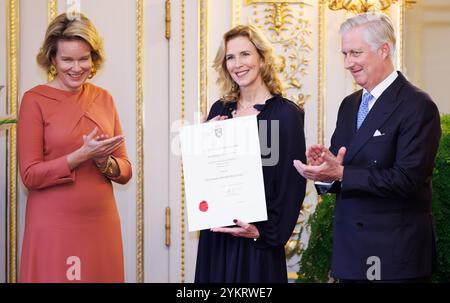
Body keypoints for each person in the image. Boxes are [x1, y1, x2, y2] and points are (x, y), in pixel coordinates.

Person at [293, 13, 441, 282]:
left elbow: (407, 180)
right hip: (352, 255)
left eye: (355, 53)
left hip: (395, 258)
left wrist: (341, 174)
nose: (348, 63)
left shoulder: (418, 106)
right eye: (345, 54)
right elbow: (340, 168)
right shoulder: (350, 105)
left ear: (384, 49)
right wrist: (324, 171)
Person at [17, 13, 132, 282]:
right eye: (67, 59)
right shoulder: (34, 100)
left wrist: (106, 163)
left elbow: (125, 170)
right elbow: (30, 175)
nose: (76, 67)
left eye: (84, 58)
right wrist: (79, 157)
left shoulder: (104, 99)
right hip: (52, 226)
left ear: (94, 59)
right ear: (52, 59)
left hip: (100, 223)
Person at [195, 24, 306, 283]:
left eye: (245, 54)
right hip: (217, 238)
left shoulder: (286, 115)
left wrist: (262, 233)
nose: (237, 64)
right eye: (230, 57)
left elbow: (292, 186)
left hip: (257, 244)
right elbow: (204, 180)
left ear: (261, 57)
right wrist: (200, 144)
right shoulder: (218, 110)